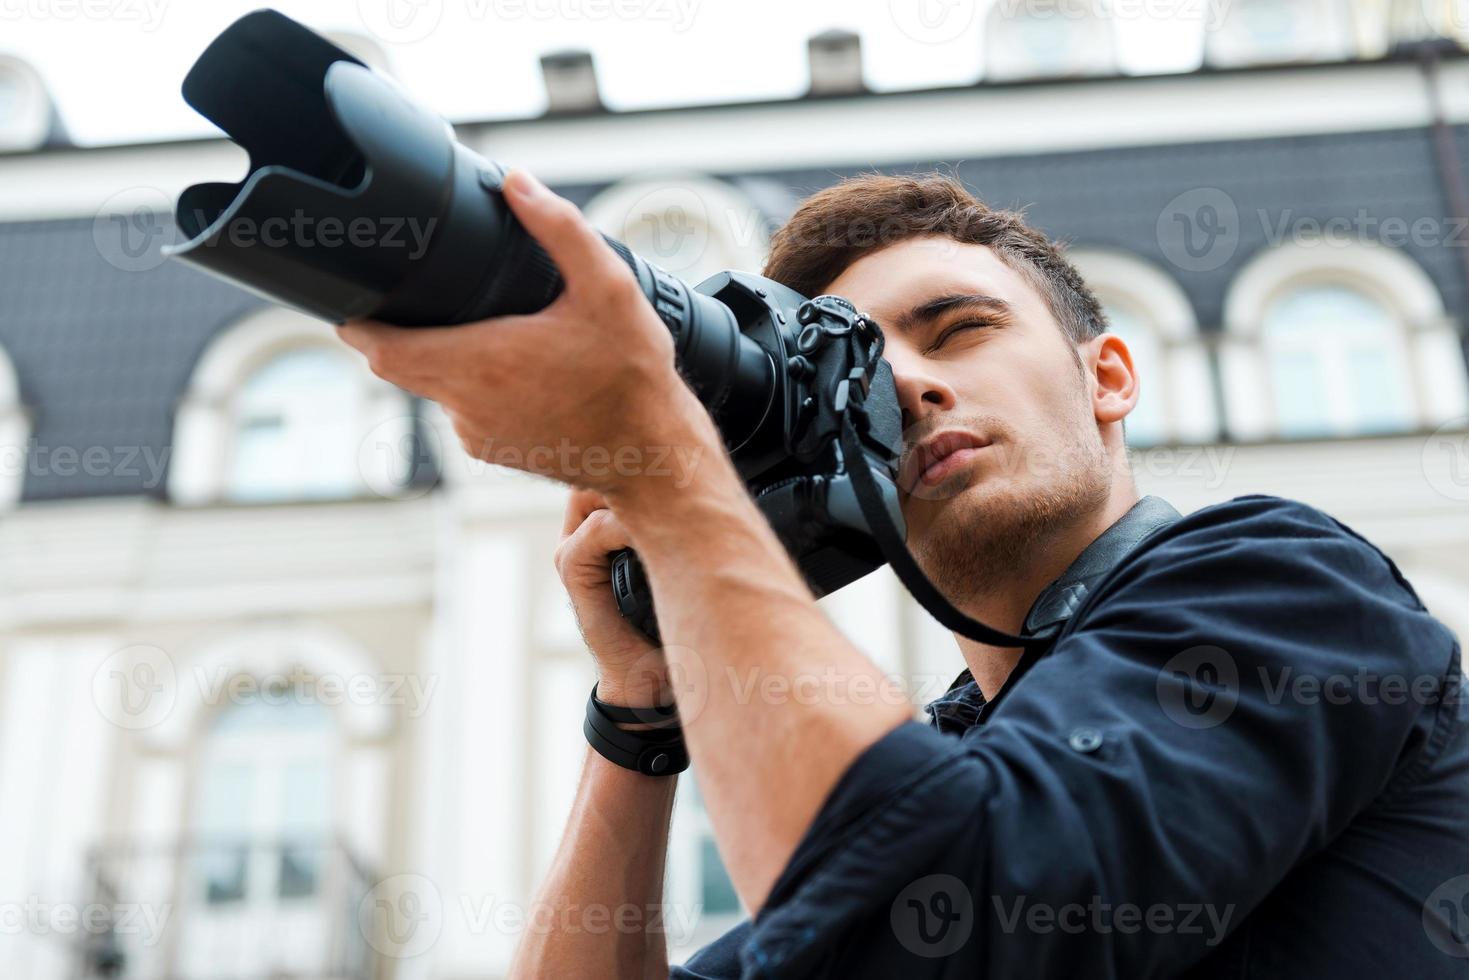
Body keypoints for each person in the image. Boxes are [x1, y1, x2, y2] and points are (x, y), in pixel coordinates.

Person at [338, 170, 1469, 978]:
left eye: (958, 328)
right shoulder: (941, 754)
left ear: (1109, 376)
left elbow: (983, 901)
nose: (909, 388)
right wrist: (642, 708)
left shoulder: (1285, 580)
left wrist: (668, 467)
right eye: (860, 374)